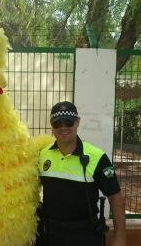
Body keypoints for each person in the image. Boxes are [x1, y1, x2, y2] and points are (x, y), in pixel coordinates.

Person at [36, 101, 126, 246]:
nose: (63, 127)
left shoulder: (97, 157)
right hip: (49, 235)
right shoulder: (42, 155)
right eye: (57, 123)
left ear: (77, 122)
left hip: (84, 236)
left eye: (68, 122)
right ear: (51, 127)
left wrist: (120, 239)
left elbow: (116, 198)